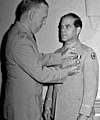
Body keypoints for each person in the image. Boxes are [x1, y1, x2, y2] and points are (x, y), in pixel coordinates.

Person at [0, 1, 80, 120]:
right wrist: (66, 71)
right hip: (22, 109)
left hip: (25, 105)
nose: (44, 22)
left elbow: (36, 59)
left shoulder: (22, 35)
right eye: (43, 18)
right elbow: (41, 74)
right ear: (32, 15)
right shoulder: (20, 39)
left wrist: (60, 56)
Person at [43, 13, 99, 120]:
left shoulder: (87, 53)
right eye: (61, 27)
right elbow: (52, 83)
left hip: (76, 112)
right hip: (57, 110)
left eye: (67, 26)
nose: (62, 30)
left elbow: (91, 87)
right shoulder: (57, 54)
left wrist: (85, 113)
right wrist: (47, 105)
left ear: (78, 30)